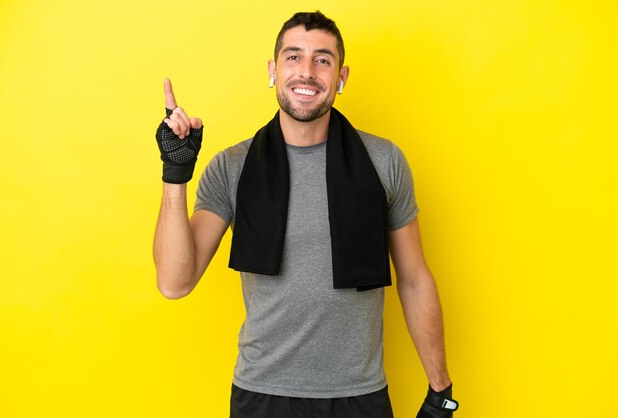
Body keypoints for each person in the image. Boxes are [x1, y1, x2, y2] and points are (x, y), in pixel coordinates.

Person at [153, 11, 458, 418]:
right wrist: (176, 172)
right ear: (273, 71)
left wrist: (441, 390)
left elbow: (416, 280)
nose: (307, 72)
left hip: (359, 396)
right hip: (262, 395)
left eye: (323, 60)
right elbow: (175, 282)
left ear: (341, 76)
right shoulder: (232, 167)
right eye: (293, 57)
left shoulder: (384, 161)